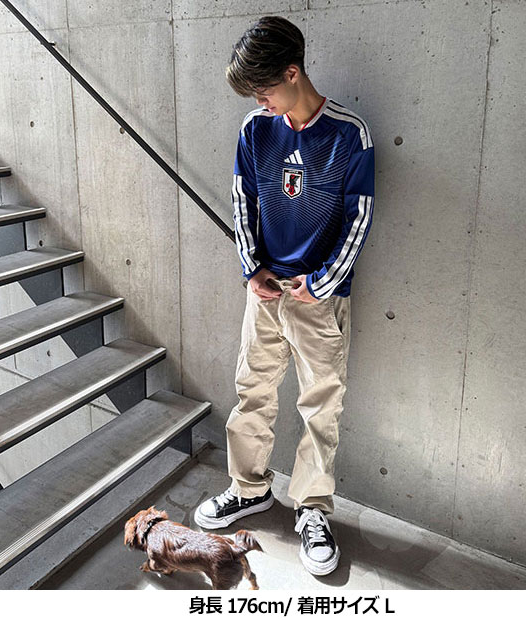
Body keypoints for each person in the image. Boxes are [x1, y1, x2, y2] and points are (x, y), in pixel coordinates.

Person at [194, 15, 375, 577]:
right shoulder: (256, 129)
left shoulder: (349, 134)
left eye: (263, 89)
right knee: (252, 389)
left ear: (293, 73)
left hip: (320, 296)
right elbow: (241, 201)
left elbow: (359, 218)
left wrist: (321, 283)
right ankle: (248, 488)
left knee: (321, 404)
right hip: (266, 292)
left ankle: (313, 509)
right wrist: (251, 269)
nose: (259, 101)